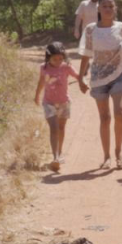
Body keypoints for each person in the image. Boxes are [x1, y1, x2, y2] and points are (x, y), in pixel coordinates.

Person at [77, 0, 122, 170]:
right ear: (99, 9)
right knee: (105, 117)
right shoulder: (90, 30)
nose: (108, 9)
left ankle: (119, 152)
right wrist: (80, 77)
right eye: (105, 6)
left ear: (115, 8)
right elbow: (87, 54)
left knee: (119, 113)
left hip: (119, 75)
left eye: (111, 6)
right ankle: (106, 156)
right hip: (98, 77)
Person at [33, 42, 88, 172]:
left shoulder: (66, 67)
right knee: (54, 128)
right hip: (49, 103)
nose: (58, 61)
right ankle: (55, 157)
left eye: (60, 58)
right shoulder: (44, 68)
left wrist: (83, 83)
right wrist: (37, 96)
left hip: (64, 102)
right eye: (54, 59)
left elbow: (78, 76)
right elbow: (41, 81)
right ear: (48, 57)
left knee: (61, 128)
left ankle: (60, 151)